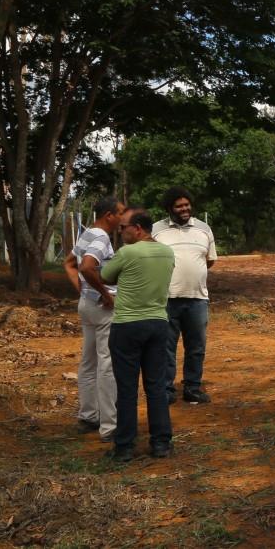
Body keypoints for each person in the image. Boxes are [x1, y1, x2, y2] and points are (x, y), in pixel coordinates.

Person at [100, 209, 175, 462]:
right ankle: (161, 443)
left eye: (124, 228)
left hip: (128, 326)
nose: (120, 232)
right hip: (158, 323)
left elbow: (105, 276)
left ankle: (124, 447)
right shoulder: (167, 252)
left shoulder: (127, 253)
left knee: (127, 388)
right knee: (156, 386)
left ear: (139, 228)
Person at [63, 195, 125, 442]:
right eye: (120, 213)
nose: (123, 218)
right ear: (109, 215)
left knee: (88, 362)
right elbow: (87, 267)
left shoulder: (87, 233)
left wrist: (83, 291)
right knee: (107, 363)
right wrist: (104, 293)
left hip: (87, 305)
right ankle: (110, 425)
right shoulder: (101, 238)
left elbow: (69, 264)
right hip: (102, 307)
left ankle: (88, 415)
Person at [152, 187, 217, 404]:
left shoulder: (204, 228)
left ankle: (192, 388)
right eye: (179, 206)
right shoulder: (156, 230)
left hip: (198, 298)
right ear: (170, 208)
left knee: (196, 347)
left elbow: (209, 260)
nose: (184, 209)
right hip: (167, 298)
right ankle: (167, 391)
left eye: (187, 204)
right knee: (166, 347)